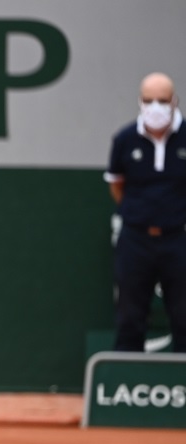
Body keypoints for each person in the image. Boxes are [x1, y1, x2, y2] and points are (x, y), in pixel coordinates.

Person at [104, 72, 186, 352]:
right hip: (135, 239)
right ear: (140, 102)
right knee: (130, 315)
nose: (155, 107)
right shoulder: (125, 139)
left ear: (175, 101)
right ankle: (126, 385)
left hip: (179, 239)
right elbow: (117, 185)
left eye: (162, 100)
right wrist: (140, 214)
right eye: (148, 100)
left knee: (183, 314)